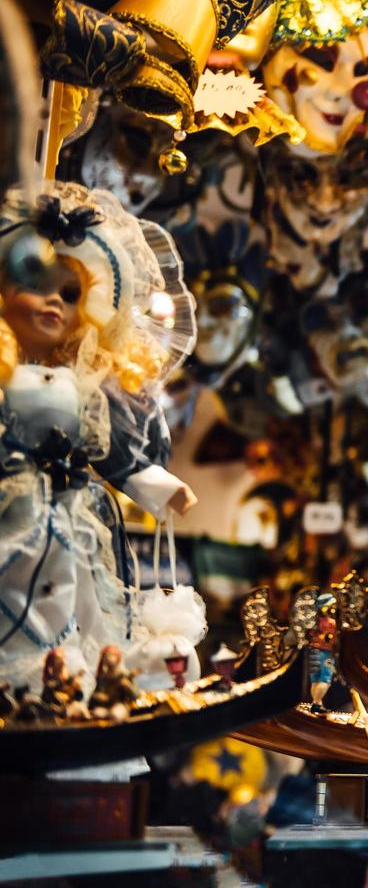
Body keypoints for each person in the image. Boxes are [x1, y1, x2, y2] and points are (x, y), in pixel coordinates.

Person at [0, 183, 198, 693]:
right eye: (39, 285)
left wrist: (157, 487)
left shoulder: (85, 386)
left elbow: (113, 453)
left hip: (67, 515)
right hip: (8, 506)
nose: (53, 303)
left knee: (69, 600)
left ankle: (61, 683)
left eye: (70, 295)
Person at [308, 593, 338, 713]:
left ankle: (317, 702)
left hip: (312, 652)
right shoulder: (331, 623)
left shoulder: (313, 622)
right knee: (325, 680)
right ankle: (316, 703)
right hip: (326, 653)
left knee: (315, 680)